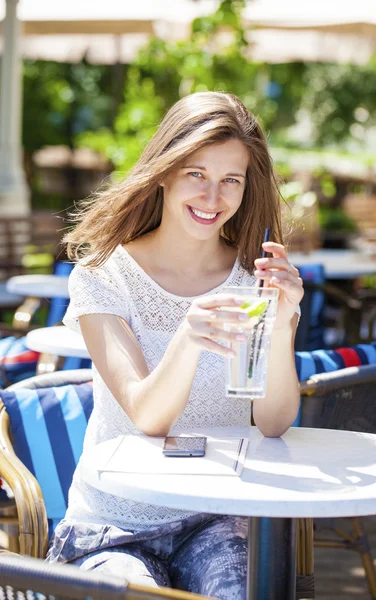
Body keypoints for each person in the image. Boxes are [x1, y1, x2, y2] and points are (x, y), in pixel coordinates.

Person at [46, 91, 304, 599]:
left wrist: (281, 322)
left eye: (231, 179)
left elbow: (273, 422)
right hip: (113, 522)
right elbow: (148, 415)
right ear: (163, 171)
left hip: (217, 518)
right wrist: (189, 335)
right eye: (196, 174)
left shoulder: (255, 279)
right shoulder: (103, 277)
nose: (213, 198)